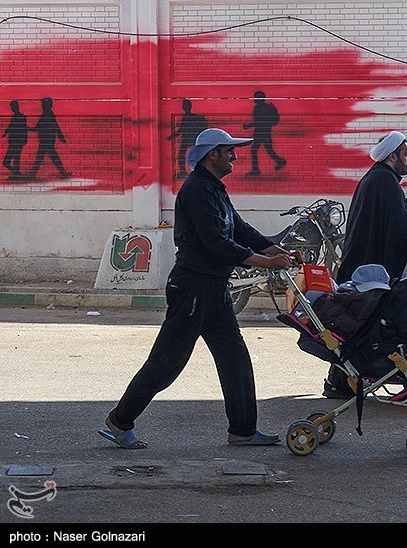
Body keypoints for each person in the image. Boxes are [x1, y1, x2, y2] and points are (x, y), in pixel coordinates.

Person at [99, 128, 303, 449]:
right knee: (168, 362)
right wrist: (265, 263)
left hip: (214, 289)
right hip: (192, 288)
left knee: (234, 356)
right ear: (213, 155)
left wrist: (276, 250)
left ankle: (243, 430)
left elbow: (240, 229)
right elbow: (218, 245)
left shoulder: (215, 190)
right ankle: (119, 421)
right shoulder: (196, 191)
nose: (235, 156)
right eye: (229, 151)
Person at [323, 131, 407, 399]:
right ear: (392, 156)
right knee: (364, 326)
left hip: (363, 266)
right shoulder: (385, 182)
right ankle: (343, 381)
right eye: (406, 154)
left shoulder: (375, 178)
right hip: (371, 272)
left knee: (356, 326)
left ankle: (341, 381)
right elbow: (402, 228)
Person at [244, 90, 286, 176]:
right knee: (269, 150)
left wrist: (249, 125)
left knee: (254, 150)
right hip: (266, 131)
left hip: (260, 132)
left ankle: (256, 170)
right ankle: (280, 161)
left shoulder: (258, 108)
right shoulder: (267, 107)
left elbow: (258, 121)